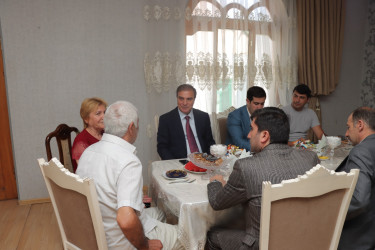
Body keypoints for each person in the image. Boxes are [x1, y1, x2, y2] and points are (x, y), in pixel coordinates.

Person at [206, 107, 320, 249]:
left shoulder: (246, 167)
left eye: (252, 129)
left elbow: (217, 203)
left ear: (264, 135)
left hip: (262, 244)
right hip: (302, 239)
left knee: (211, 235)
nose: (248, 135)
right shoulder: (310, 158)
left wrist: (215, 182)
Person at [76, 101, 182, 250]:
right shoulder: (128, 161)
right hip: (120, 242)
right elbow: (126, 220)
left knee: (161, 212)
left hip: (97, 230)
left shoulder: (89, 151)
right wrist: (145, 245)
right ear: (131, 128)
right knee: (188, 236)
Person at [336, 107, 375, 250]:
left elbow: (359, 200)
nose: (346, 133)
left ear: (360, 125)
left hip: (360, 234)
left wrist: (330, 212)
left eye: (348, 127)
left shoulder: (361, 151)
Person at [157, 84, 215, 160]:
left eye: (189, 99)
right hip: (179, 163)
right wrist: (174, 164)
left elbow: (210, 142)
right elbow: (162, 147)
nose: (184, 103)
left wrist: (210, 160)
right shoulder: (166, 119)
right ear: (177, 98)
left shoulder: (203, 117)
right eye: (181, 98)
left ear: (194, 99)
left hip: (203, 161)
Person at [71, 97, 107, 172]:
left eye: (104, 112)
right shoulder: (80, 142)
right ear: (86, 119)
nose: (104, 117)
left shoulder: (106, 134)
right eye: (98, 113)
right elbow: (85, 172)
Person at [226, 86, 266, 151]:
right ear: (248, 101)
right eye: (256, 104)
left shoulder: (264, 115)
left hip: (259, 154)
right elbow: (239, 142)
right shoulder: (234, 116)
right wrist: (262, 149)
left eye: (262, 104)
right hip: (236, 154)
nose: (259, 107)